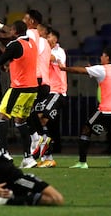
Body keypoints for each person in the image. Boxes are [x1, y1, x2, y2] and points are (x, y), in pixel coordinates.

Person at [0, 95, 64, 206]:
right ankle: (6, 199)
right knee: (56, 199)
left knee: (50, 198)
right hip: (14, 180)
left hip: (16, 177)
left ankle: (9, 197)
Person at [0, 20, 39, 168]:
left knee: (2, 116)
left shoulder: (15, 45)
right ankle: (28, 158)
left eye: (11, 30)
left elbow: (0, 60)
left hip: (19, 88)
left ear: (14, 31)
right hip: (32, 88)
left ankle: (4, 152)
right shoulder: (32, 43)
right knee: (21, 121)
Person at [60, 47, 111, 168]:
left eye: (102, 55)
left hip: (107, 109)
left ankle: (82, 162)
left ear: (107, 57)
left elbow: (80, 71)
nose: (101, 57)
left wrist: (63, 68)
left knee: (86, 129)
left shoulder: (102, 69)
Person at [31, 28, 68, 168]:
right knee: (39, 118)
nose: (49, 39)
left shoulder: (59, 51)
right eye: (47, 36)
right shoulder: (44, 50)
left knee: (44, 118)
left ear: (56, 39)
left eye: (51, 36)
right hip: (47, 92)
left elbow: (53, 59)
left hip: (57, 92)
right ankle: (47, 157)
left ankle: (45, 149)